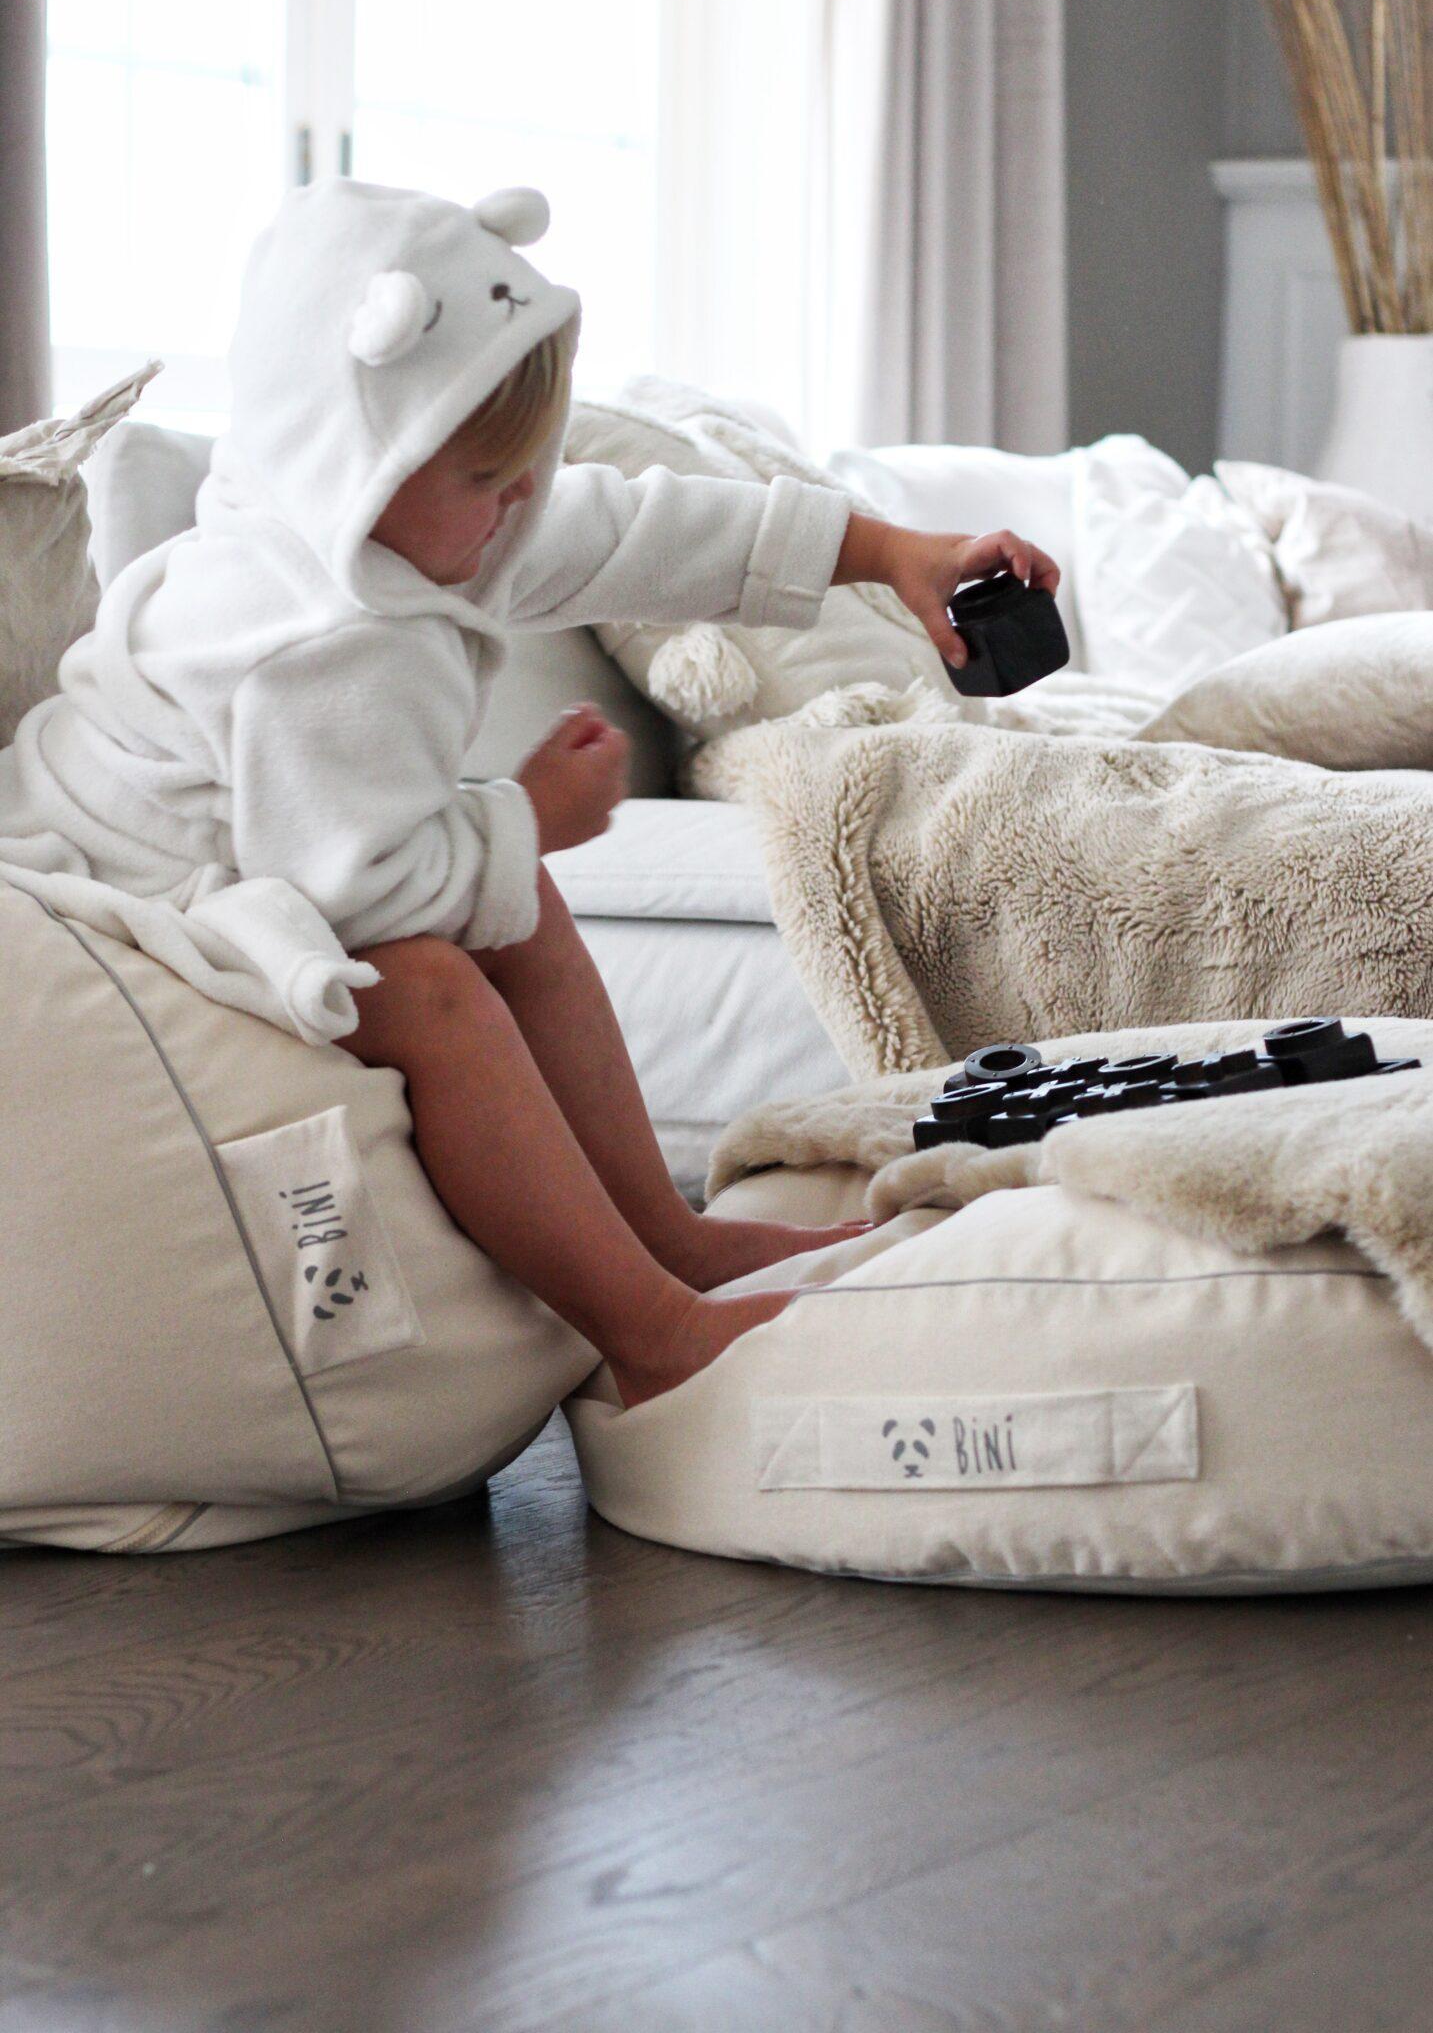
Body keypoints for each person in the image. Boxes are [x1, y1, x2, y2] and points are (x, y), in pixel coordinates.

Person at [0, 179, 1058, 1406]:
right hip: (115, 902)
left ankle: (668, 1238)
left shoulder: (426, 527)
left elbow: (631, 531)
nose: (519, 507)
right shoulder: (311, 641)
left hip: (267, 854)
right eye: (488, 480)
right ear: (357, 464)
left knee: (516, 907)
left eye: (527, 473)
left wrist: (886, 553)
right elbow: (358, 897)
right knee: (431, 987)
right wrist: (531, 819)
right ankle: (647, 1328)